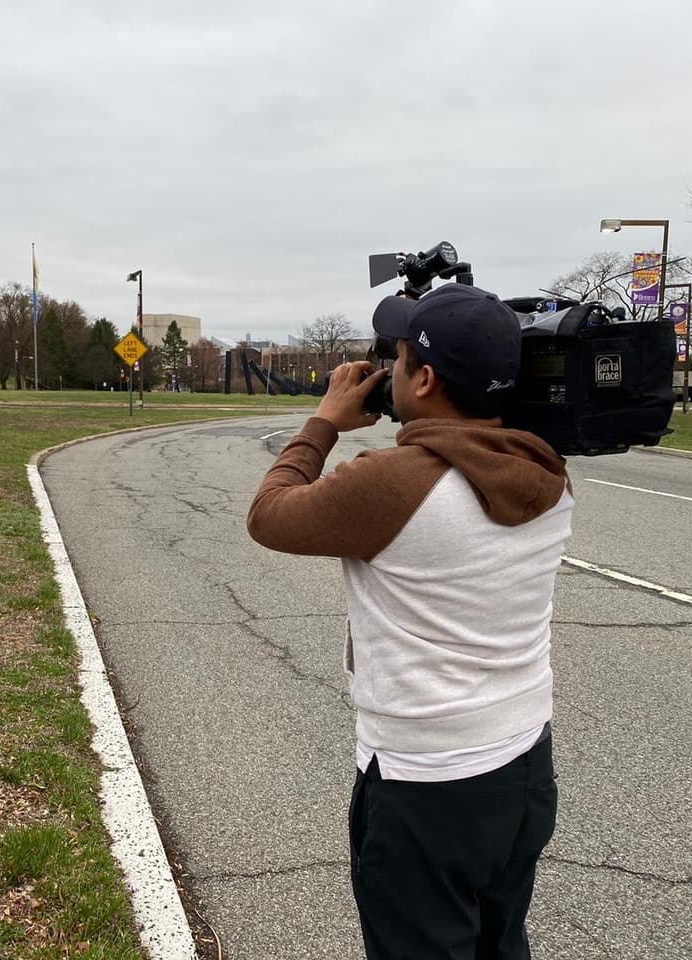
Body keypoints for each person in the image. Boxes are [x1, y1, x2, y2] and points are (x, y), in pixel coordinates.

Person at [246, 282, 574, 960]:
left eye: (396, 360)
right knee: (499, 945)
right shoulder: (546, 472)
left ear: (423, 379)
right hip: (521, 767)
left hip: (425, 785)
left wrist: (326, 422)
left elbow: (270, 515)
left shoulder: (393, 483)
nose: (386, 371)